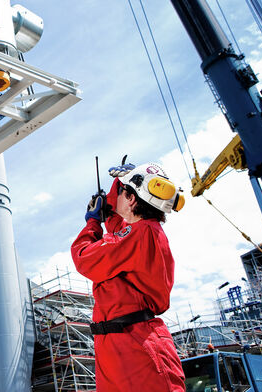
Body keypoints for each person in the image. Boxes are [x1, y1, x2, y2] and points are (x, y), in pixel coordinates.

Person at [71, 162, 186, 391]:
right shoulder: (142, 233)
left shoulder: (141, 233)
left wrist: (93, 222)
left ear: (131, 199)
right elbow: (117, 227)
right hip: (119, 342)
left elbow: (83, 257)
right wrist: (119, 183)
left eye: (123, 191)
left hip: (134, 343)